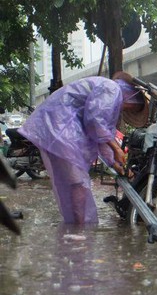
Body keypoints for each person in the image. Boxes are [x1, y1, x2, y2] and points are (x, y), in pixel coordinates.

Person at [18, 72, 146, 224]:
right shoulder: (111, 89)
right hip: (61, 127)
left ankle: (74, 225)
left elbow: (103, 137)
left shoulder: (110, 97)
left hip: (57, 128)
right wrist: (117, 150)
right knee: (77, 182)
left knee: (71, 182)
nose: (129, 110)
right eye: (133, 108)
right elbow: (95, 123)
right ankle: (80, 229)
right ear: (133, 98)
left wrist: (116, 164)